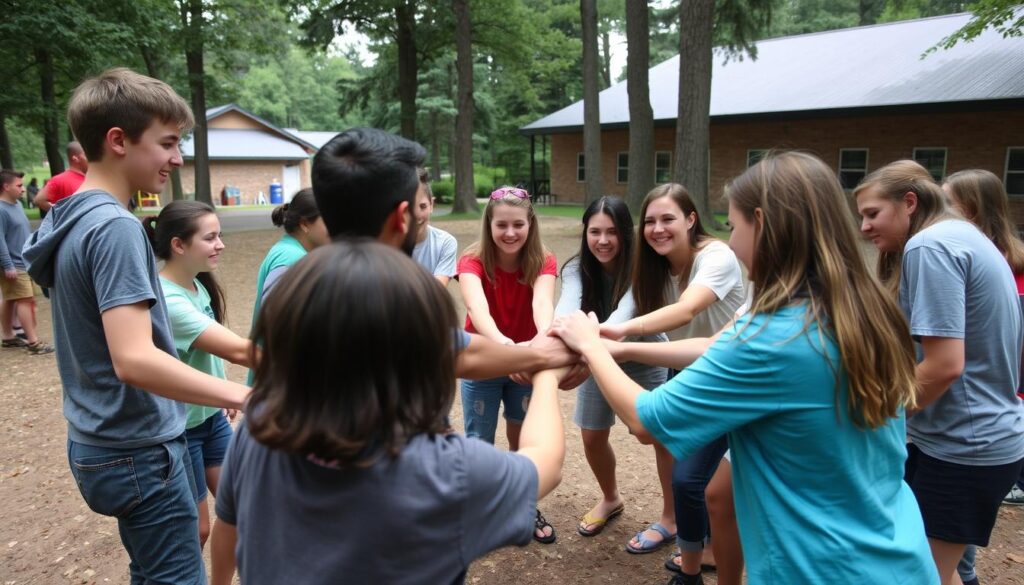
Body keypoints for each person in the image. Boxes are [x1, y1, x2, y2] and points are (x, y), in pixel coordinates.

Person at [552, 151, 939, 584]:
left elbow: (648, 421)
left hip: (818, 568)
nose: (731, 242)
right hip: (896, 554)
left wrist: (592, 346)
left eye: (734, 226)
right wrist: (621, 348)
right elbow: (718, 345)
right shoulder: (866, 308)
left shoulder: (772, 338)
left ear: (762, 222)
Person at [210, 241, 570, 585]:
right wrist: (548, 378)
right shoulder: (443, 471)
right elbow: (545, 463)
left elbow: (229, 523)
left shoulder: (261, 421)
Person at [23, 68, 249, 583]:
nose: (177, 157)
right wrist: (239, 396)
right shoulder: (117, 227)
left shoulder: (69, 215)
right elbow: (134, 358)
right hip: (139, 449)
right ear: (118, 141)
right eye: (167, 143)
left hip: (96, 442)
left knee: (150, 572)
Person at [856, 161, 1024, 585]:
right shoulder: (962, 234)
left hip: (966, 447)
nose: (863, 228)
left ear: (909, 202)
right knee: (936, 572)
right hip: (961, 440)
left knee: (914, 576)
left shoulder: (929, 245)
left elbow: (945, 365)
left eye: (872, 213)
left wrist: (872, 418)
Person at [308, 127, 575, 381]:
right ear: (403, 216)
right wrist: (555, 355)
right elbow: (462, 355)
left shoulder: (298, 291)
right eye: (417, 205)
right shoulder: (402, 298)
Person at [601, 184, 746, 578]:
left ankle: (716, 549)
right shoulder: (652, 266)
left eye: (668, 219)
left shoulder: (716, 256)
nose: (657, 229)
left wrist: (614, 342)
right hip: (688, 372)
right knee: (687, 478)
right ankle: (692, 555)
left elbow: (687, 310)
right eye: (649, 221)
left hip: (732, 376)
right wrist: (594, 340)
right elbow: (623, 311)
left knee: (716, 485)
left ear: (691, 219)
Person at [553, 196, 669, 539]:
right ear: (585, 233)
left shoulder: (642, 268)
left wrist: (585, 346)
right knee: (591, 434)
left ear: (626, 235)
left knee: (658, 435)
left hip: (642, 355)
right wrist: (557, 341)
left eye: (612, 232)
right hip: (594, 355)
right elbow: (565, 310)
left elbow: (624, 315)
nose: (603, 241)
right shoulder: (576, 269)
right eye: (595, 232)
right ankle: (611, 498)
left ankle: (672, 515)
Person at [144, 200, 254, 551]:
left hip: (211, 420)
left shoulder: (196, 285)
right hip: (182, 429)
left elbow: (206, 351)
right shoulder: (169, 301)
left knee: (242, 508)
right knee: (199, 529)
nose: (220, 244)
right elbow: (238, 350)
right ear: (178, 245)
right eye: (210, 238)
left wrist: (221, 397)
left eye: (219, 236)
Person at [456, 185, 559, 543]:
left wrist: (538, 341)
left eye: (518, 224)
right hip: (484, 360)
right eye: (502, 225)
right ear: (489, 224)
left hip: (525, 357)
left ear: (530, 223)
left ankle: (523, 504)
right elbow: (476, 309)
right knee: (479, 439)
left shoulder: (543, 259)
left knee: (524, 437)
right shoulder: (471, 261)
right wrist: (506, 348)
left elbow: (542, 303)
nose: (510, 233)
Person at [0, 169, 51, 353]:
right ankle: (33, 342)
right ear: (6, 186)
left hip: (23, 261)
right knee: (25, 300)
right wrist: (8, 265)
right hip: (14, 264)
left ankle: (8, 336)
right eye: (19, 185)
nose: (23, 190)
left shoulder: (17, 206)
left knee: (11, 299)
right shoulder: (1, 209)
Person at [412, 167, 458, 286]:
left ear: (432, 205)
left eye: (423, 206)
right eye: (410, 207)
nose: (417, 215)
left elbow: (438, 290)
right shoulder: (388, 243)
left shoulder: (445, 243)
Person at [33, 141, 88, 213]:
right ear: (75, 158)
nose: (92, 159)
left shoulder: (91, 178)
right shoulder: (60, 180)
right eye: (87, 155)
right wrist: (61, 213)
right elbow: (39, 200)